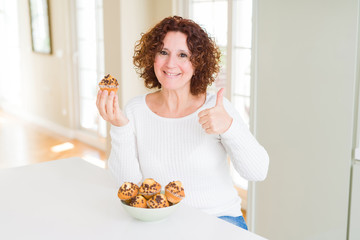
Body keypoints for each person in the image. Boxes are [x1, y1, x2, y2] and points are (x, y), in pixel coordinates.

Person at [96, 16, 269, 230]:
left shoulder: (216, 108)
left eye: (182, 55)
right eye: (163, 52)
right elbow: (128, 185)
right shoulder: (135, 110)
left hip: (218, 221)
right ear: (153, 57)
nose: (170, 64)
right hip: (159, 222)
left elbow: (258, 172)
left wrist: (229, 128)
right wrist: (120, 127)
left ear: (197, 63)